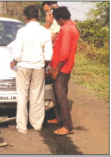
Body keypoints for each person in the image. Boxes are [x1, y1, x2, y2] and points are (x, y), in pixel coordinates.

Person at [10, 5, 53, 134]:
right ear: (37, 16)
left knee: (22, 95)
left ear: (25, 17)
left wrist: (14, 61)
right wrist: (43, 65)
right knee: (37, 95)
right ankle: (37, 124)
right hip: (39, 65)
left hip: (24, 65)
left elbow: (17, 51)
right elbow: (49, 53)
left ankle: (22, 127)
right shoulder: (45, 31)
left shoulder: (22, 31)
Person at [47, 7, 79, 135]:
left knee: (61, 96)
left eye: (57, 20)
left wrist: (56, 70)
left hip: (62, 68)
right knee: (58, 93)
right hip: (66, 66)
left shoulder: (66, 29)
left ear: (60, 19)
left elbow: (64, 54)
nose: (57, 22)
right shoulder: (72, 27)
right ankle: (59, 118)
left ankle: (67, 126)